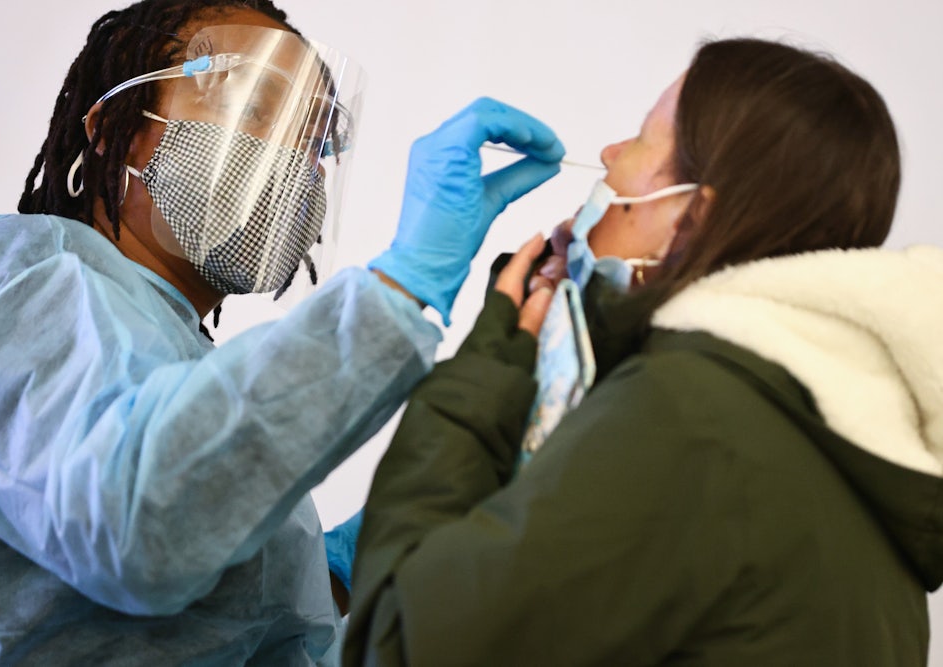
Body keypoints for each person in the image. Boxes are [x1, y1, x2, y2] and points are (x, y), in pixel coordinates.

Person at [0, 0, 564, 663]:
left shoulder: (183, 365)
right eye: (258, 106)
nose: (292, 153)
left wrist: (370, 545)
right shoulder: (15, 272)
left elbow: (236, 625)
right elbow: (139, 525)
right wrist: (403, 284)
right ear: (112, 128)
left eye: (314, 135)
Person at [344, 38, 943, 666]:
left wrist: (487, 371)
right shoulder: (841, 451)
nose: (606, 155)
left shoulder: (692, 421)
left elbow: (400, 646)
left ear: (692, 216)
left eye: (637, 139)